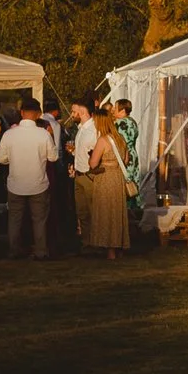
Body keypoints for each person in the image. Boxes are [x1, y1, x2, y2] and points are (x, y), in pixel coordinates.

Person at [0, 101, 58, 260]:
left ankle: (14, 249)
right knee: (39, 220)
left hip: (16, 182)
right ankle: (41, 250)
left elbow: (0, 158)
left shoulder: (10, 134)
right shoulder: (43, 134)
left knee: (15, 219)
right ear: (38, 114)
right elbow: (53, 157)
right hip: (39, 183)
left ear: (21, 112)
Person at [76, 96, 132, 258]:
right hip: (117, 177)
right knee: (117, 212)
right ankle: (120, 246)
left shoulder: (103, 140)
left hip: (105, 178)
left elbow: (93, 164)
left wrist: (92, 157)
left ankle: (110, 250)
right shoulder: (120, 138)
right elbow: (126, 160)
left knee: (106, 213)